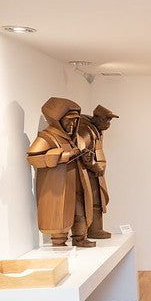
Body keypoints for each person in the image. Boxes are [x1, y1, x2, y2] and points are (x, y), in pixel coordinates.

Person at [26, 97, 95, 247]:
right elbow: (33, 157)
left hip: (77, 184)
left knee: (80, 212)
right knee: (61, 213)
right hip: (59, 187)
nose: (72, 125)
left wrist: (86, 158)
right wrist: (64, 155)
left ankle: (79, 237)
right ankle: (59, 241)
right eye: (68, 120)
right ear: (57, 119)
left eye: (75, 121)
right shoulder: (47, 136)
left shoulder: (74, 138)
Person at [78, 105, 119, 239]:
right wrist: (93, 165)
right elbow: (82, 151)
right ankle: (89, 231)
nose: (108, 124)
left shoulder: (96, 130)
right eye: (105, 120)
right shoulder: (85, 129)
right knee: (93, 202)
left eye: (109, 121)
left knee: (98, 202)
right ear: (96, 118)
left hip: (96, 173)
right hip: (90, 173)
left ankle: (95, 229)